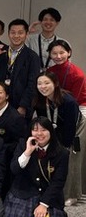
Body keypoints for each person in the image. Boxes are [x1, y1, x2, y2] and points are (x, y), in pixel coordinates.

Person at [4, 117, 71, 217]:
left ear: (51, 131)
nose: (39, 133)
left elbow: (58, 182)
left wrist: (44, 204)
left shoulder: (62, 153)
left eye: (43, 130)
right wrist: (27, 153)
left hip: (47, 194)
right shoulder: (23, 144)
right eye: (35, 130)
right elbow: (14, 169)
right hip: (25, 191)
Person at [32, 71, 82, 206]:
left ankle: (71, 194)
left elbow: (70, 128)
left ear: (55, 83)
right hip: (55, 129)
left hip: (76, 128)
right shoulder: (40, 99)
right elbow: (43, 121)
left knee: (70, 158)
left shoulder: (69, 101)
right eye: (39, 83)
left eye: (46, 83)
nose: (43, 87)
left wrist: (63, 146)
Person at [0, 19, 40, 119]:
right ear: (8, 34)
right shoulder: (1, 51)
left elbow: (32, 84)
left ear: (26, 34)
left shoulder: (32, 57)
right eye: (13, 32)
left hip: (19, 104)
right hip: (0, 102)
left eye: (20, 33)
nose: (16, 36)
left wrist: (23, 106)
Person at [47, 39, 86, 116]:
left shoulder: (78, 74)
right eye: (54, 53)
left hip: (79, 106)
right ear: (50, 54)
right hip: (57, 105)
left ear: (69, 53)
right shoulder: (50, 71)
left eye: (62, 53)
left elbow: (75, 100)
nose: (58, 56)